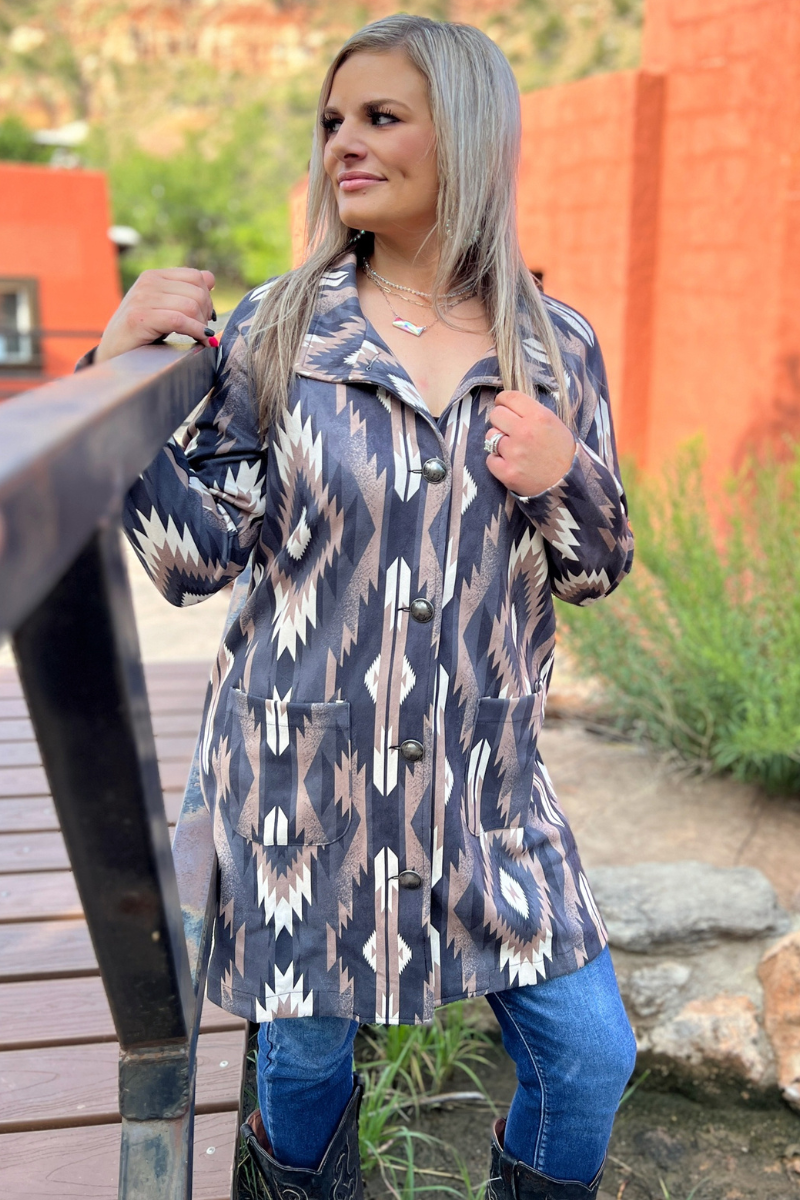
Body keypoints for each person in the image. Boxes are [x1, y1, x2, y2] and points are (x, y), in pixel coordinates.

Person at [86, 14, 637, 1199]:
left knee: (588, 1057)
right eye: (334, 119)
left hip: (486, 792)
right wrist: (108, 377)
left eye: (382, 117)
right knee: (301, 1069)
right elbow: (196, 561)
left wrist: (563, 475)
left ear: (469, 137)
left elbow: (593, 570)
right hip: (303, 789)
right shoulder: (278, 328)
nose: (343, 142)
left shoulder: (556, 346)